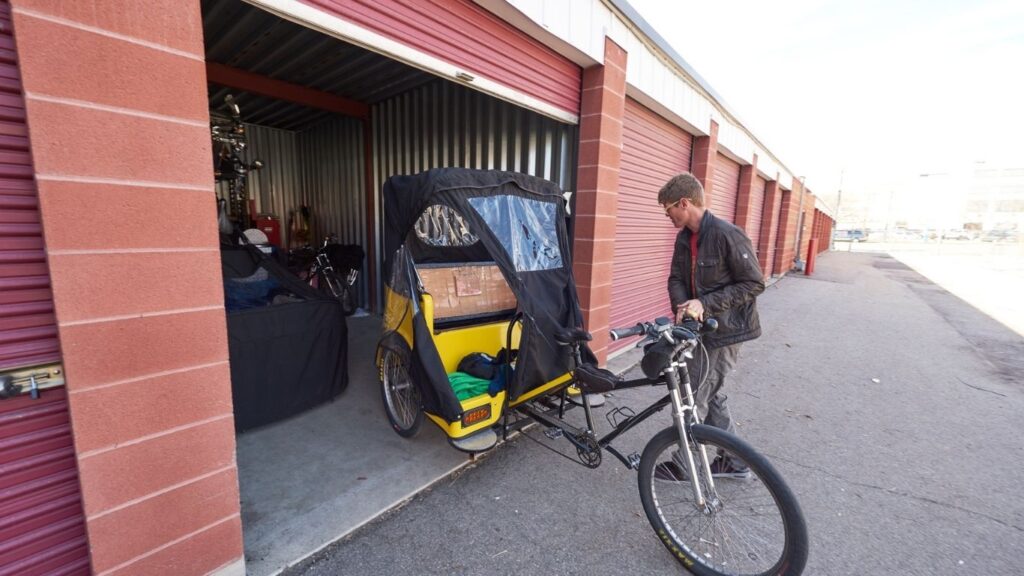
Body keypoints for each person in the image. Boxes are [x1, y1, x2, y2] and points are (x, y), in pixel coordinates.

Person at [659, 172, 765, 479]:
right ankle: (735, 462)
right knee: (712, 392)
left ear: (684, 203)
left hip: (727, 331)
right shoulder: (684, 238)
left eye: (669, 210)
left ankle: (686, 465)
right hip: (699, 330)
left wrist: (705, 303)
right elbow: (676, 278)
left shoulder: (726, 234)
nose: (667, 216)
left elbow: (754, 283)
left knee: (694, 394)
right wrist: (683, 307)